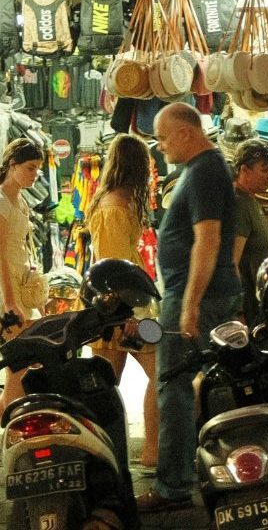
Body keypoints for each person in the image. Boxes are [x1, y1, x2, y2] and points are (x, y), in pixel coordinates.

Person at [139, 102, 243, 514]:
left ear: (185, 133)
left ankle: (173, 486)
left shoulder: (203, 172)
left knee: (174, 388)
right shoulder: (205, 170)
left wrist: (189, 304)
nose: (160, 146)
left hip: (195, 296)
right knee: (192, 387)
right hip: (201, 293)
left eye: (163, 138)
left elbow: (208, 239)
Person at [86, 133, 161, 466]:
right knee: (160, 375)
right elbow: (114, 265)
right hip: (120, 308)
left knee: (103, 385)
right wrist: (128, 312)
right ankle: (151, 452)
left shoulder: (114, 200)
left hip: (113, 307)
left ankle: (103, 454)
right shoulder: (116, 206)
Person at [0, 138, 49, 436]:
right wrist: (11, 301)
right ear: (13, 165)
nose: (35, 174)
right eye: (30, 168)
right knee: (17, 368)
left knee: (22, 366)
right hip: (3, 292)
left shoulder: (18, 199)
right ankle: (13, 434)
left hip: (19, 289)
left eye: (38, 169)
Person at [230, 139, 268, 326]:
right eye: (265, 170)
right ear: (244, 170)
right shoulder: (239, 204)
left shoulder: (251, 201)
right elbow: (232, 262)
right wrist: (239, 311)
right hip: (249, 310)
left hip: (258, 306)